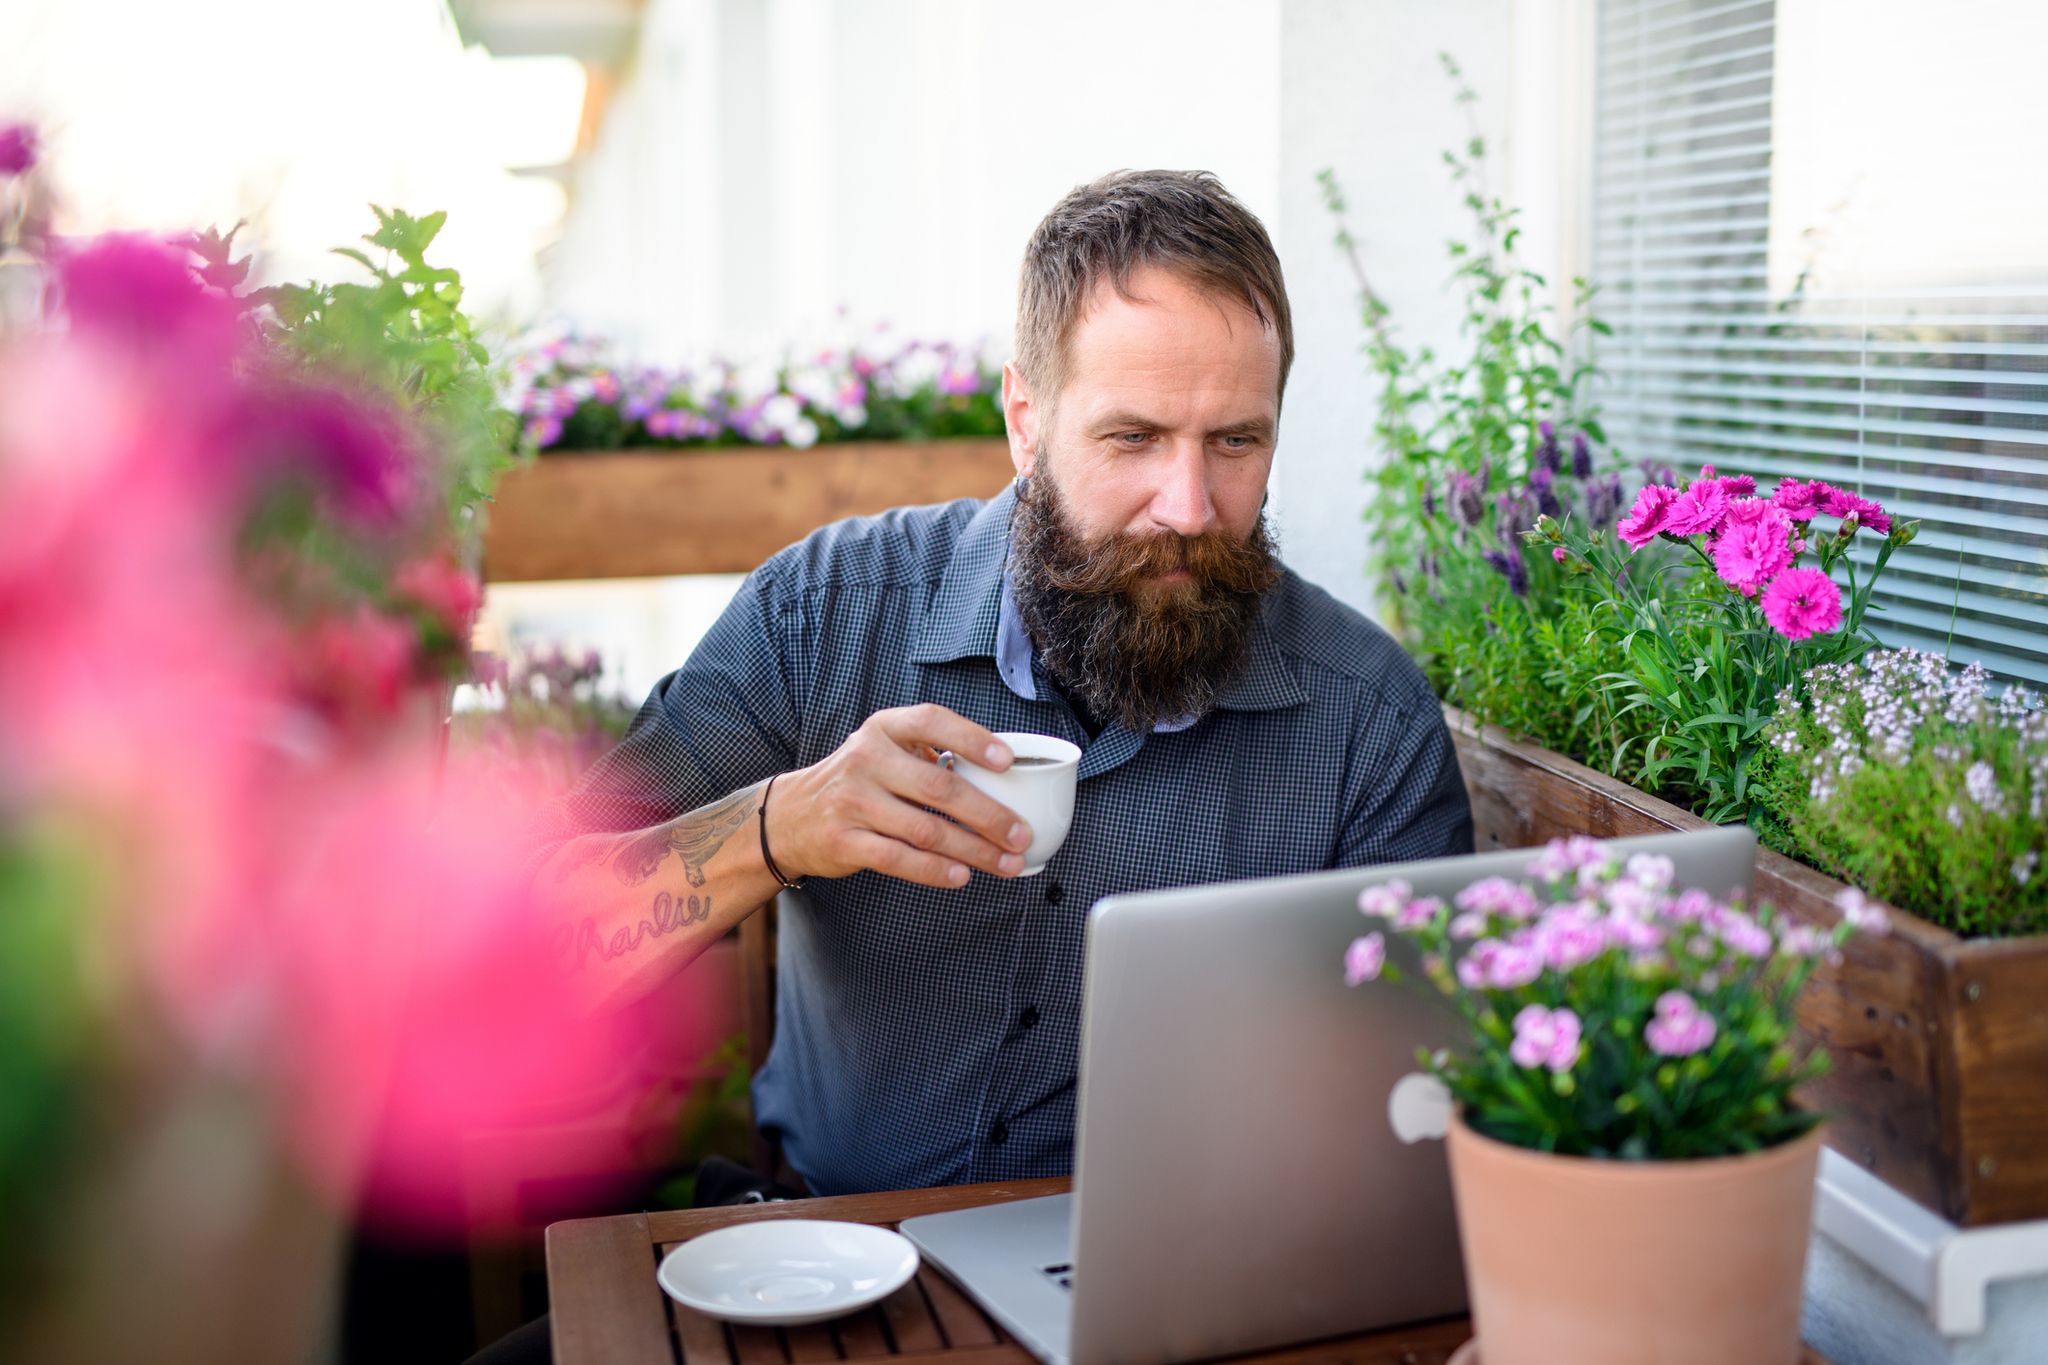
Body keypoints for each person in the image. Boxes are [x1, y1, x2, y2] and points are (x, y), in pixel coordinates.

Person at [528, 168, 1474, 1200]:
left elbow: (1426, 1110)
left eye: (1235, 441)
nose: (1190, 506)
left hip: (1187, 1277)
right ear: (1024, 418)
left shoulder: (1365, 722)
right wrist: (778, 826)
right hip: (833, 1256)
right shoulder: (825, 613)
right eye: (1132, 438)